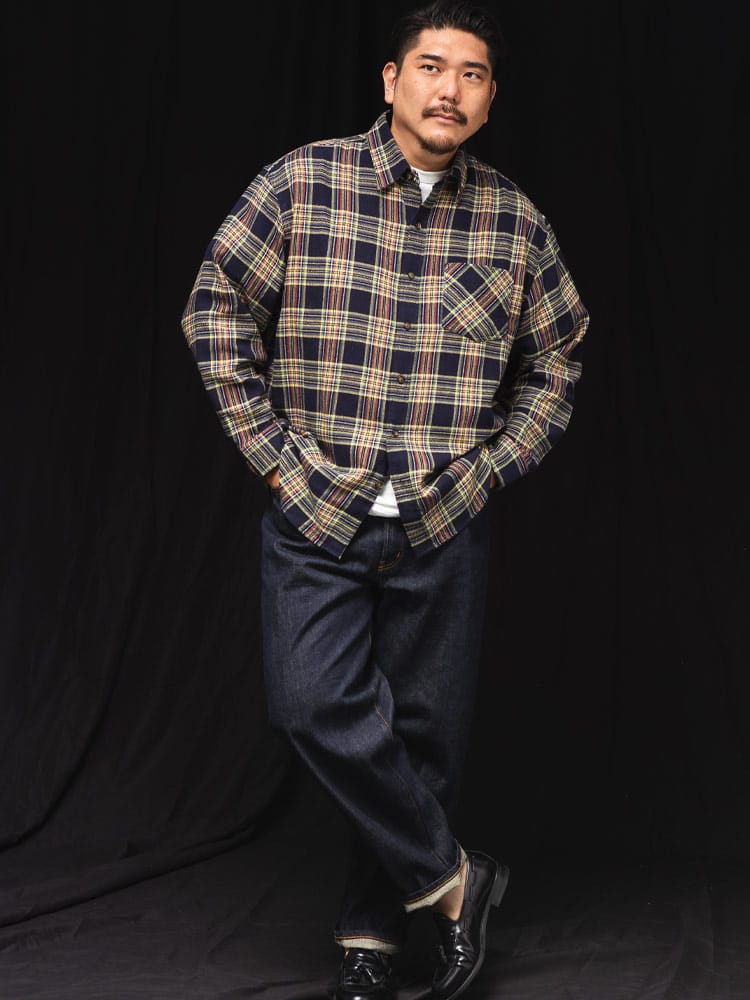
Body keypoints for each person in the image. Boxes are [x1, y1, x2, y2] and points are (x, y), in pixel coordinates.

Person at [181, 2, 589, 996]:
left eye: (473, 74)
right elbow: (215, 309)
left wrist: (489, 469)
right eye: (433, 66)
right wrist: (276, 460)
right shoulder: (300, 184)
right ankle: (455, 882)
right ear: (391, 80)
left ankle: (371, 940)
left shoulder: (516, 223)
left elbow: (558, 361)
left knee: (422, 741)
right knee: (310, 704)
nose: (451, 89)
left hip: (446, 523)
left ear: (490, 100)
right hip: (317, 509)